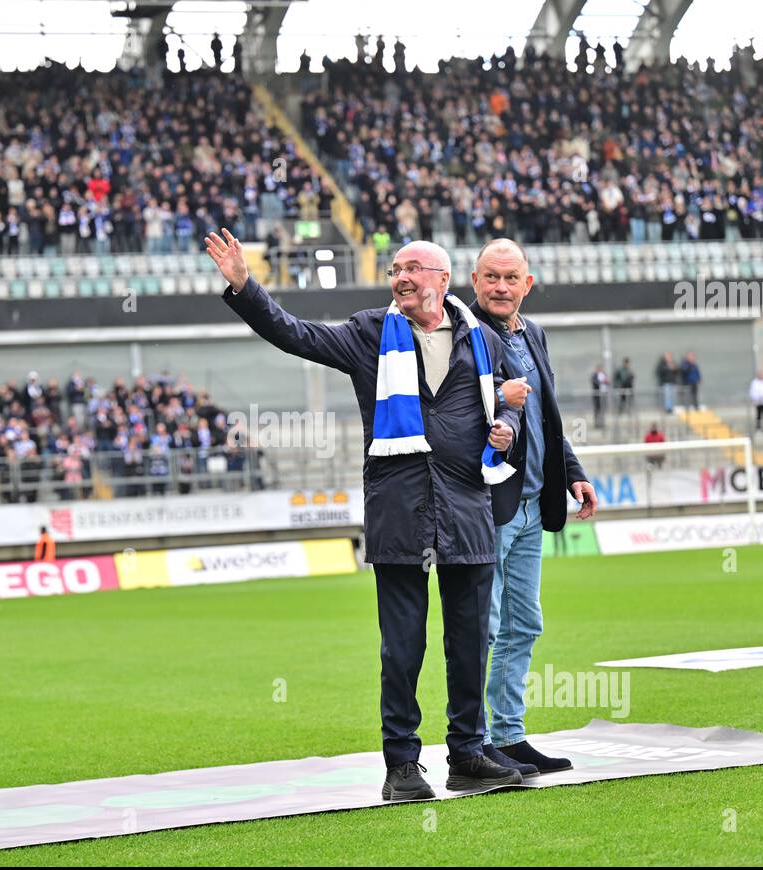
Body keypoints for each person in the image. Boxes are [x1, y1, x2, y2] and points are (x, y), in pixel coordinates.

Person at [207, 228, 525, 800]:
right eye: (395, 269)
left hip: (467, 508)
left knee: (471, 639)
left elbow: (505, 404)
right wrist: (245, 287)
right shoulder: (369, 332)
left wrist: (509, 427)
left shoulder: (483, 339)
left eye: (412, 268)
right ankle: (401, 764)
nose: (400, 277)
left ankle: (468, 753)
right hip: (400, 510)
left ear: (442, 280)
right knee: (402, 645)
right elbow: (295, 335)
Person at [467, 238, 597, 775]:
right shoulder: (462, 332)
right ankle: (473, 744)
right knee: (485, 626)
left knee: (525, 624)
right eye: (491, 277)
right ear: (474, 281)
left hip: (531, 506)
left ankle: (509, 736)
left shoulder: (533, 333)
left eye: (510, 278)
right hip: (486, 503)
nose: (500, 287)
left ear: (528, 284)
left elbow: (547, 417)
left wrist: (572, 472)